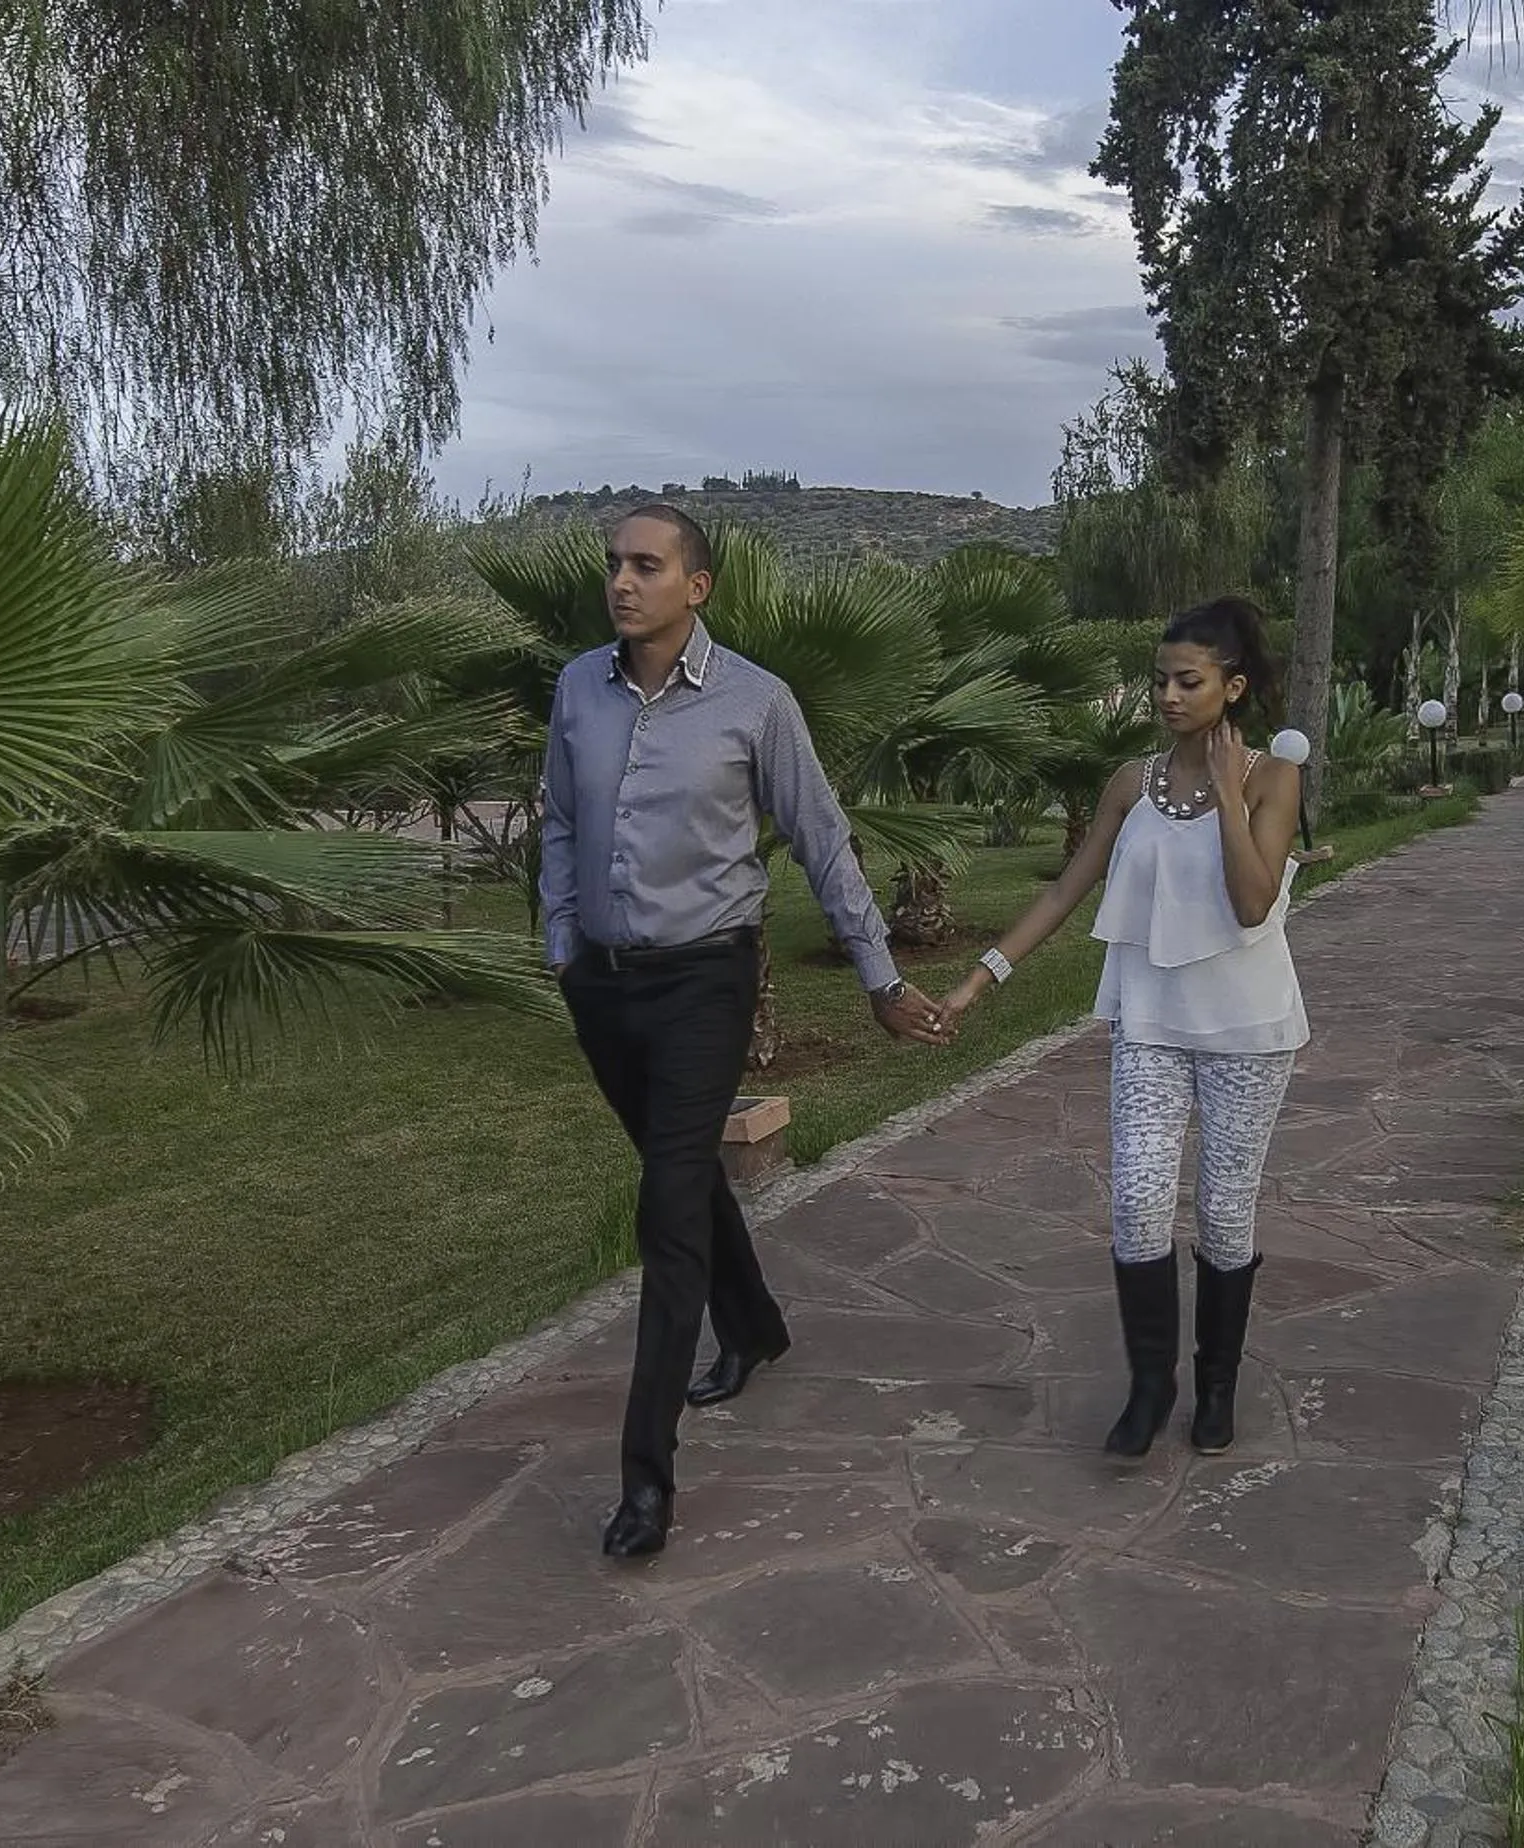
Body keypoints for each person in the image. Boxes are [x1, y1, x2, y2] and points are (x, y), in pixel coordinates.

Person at [540, 503, 953, 1559]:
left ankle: (645, 1480)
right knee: (680, 1173)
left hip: (705, 981)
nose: (621, 582)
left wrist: (877, 976)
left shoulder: (754, 701)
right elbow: (560, 821)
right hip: (603, 985)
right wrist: (561, 944)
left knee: (665, 1206)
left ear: (696, 587)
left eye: (645, 565)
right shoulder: (578, 688)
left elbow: (820, 837)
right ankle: (756, 1326)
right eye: (613, 564)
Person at [941, 596, 1307, 1458]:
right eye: (1159, 681)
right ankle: (1150, 1387)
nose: (1168, 696)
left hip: (1246, 1029)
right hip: (1148, 1020)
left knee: (1224, 1213)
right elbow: (1064, 893)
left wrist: (1226, 796)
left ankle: (1215, 1388)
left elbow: (1252, 903)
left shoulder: (1271, 779)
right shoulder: (1128, 784)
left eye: (1188, 681)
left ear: (1232, 687)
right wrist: (976, 981)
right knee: (1138, 1201)